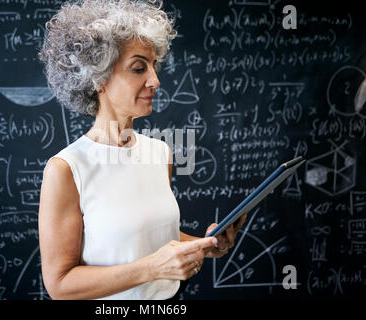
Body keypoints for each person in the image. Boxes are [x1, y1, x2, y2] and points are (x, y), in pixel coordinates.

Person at [37, 0, 247, 300]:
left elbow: (152, 238)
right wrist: (152, 269)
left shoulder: (160, 154)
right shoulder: (67, 169)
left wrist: (204, 245)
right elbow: (59, 285)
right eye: (138, 68)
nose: (155, 80)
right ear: (98, 79)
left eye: (153, 65)